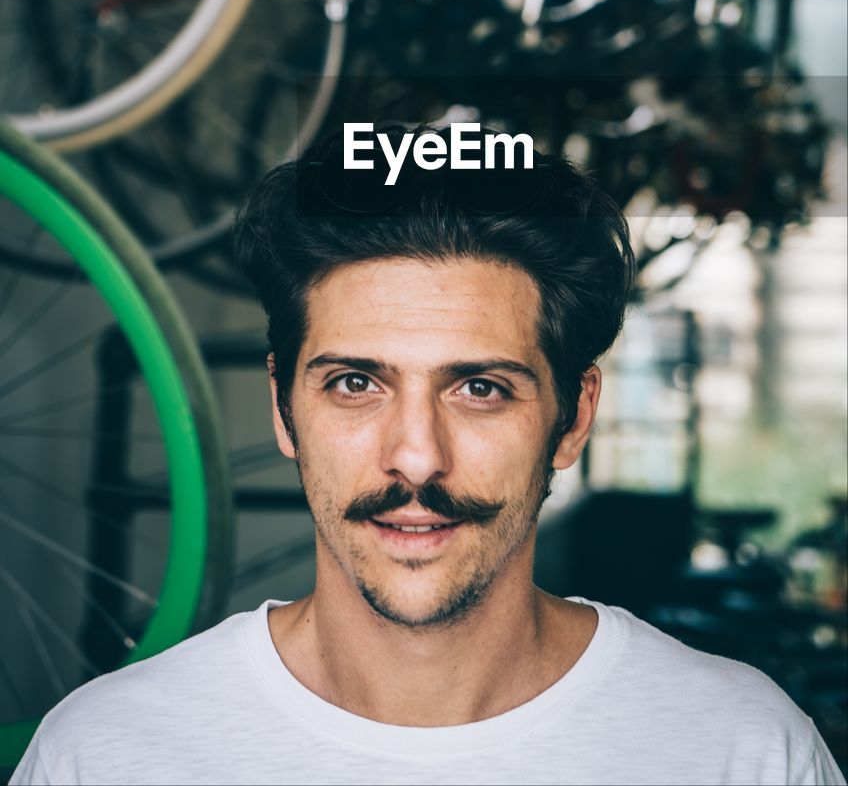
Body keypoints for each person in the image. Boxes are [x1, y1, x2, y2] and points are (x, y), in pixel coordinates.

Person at [11, 123, 845, 786]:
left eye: (479, 388)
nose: (416, 459)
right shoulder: (107, 756)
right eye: (354, 384)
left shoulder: (741, 754)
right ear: (282, 407)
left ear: (574, 416)